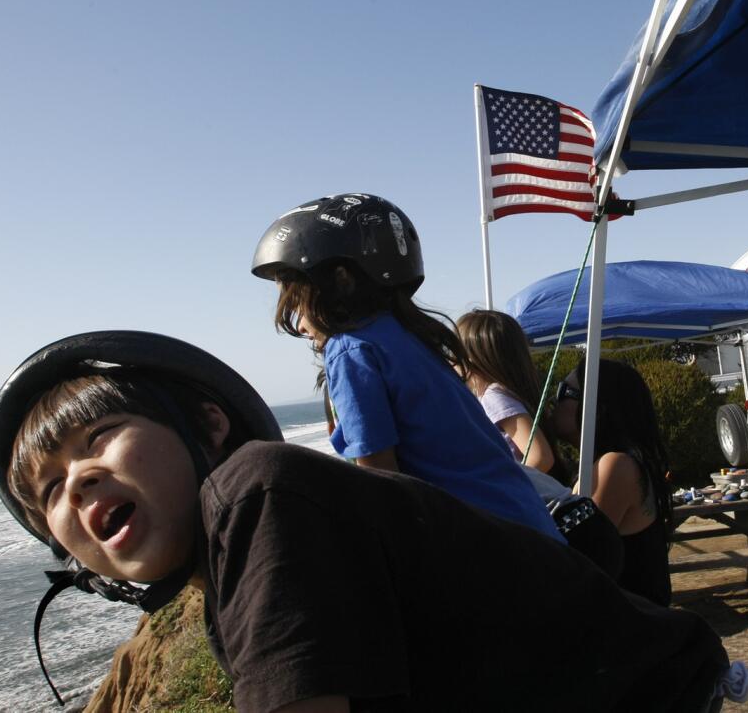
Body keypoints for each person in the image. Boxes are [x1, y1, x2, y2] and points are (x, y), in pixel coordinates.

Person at [0, 329, 748, 711]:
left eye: (98, 440)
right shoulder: (233, 552)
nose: (77, 480)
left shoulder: (257, 493)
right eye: (48, 490)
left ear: (210, 425)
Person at [250, 194, 560, 540]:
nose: (300, 323)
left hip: (488, 548)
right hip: (533, 534)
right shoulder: (412, 339)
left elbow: (382, 487)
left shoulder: (351, 350)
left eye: (295, 299)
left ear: (341, 280)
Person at [551, 359, 673, 607]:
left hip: (636, 630)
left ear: (596, 408)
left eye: (564, 391)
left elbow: (578, 553)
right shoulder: (613, 462)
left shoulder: (616, 466)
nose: (555, 400)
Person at [455, 308, 573, 485]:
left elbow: (540, 457)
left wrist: (506, 492)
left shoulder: (494, 397)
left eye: (453, 351)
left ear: (472, 358)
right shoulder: (508, 393)